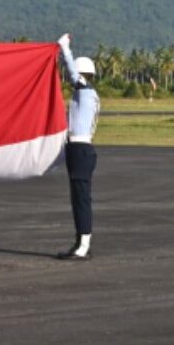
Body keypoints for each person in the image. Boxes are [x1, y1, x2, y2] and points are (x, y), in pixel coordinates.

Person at [56, 33, 101, 261]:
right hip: (78, 150)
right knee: (78, 198)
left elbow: (73, 75)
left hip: (81, 150)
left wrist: (64, 48)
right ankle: (80, 241)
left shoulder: (85, 92)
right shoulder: (83, 95)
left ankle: (83, 244)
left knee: (81, 198)